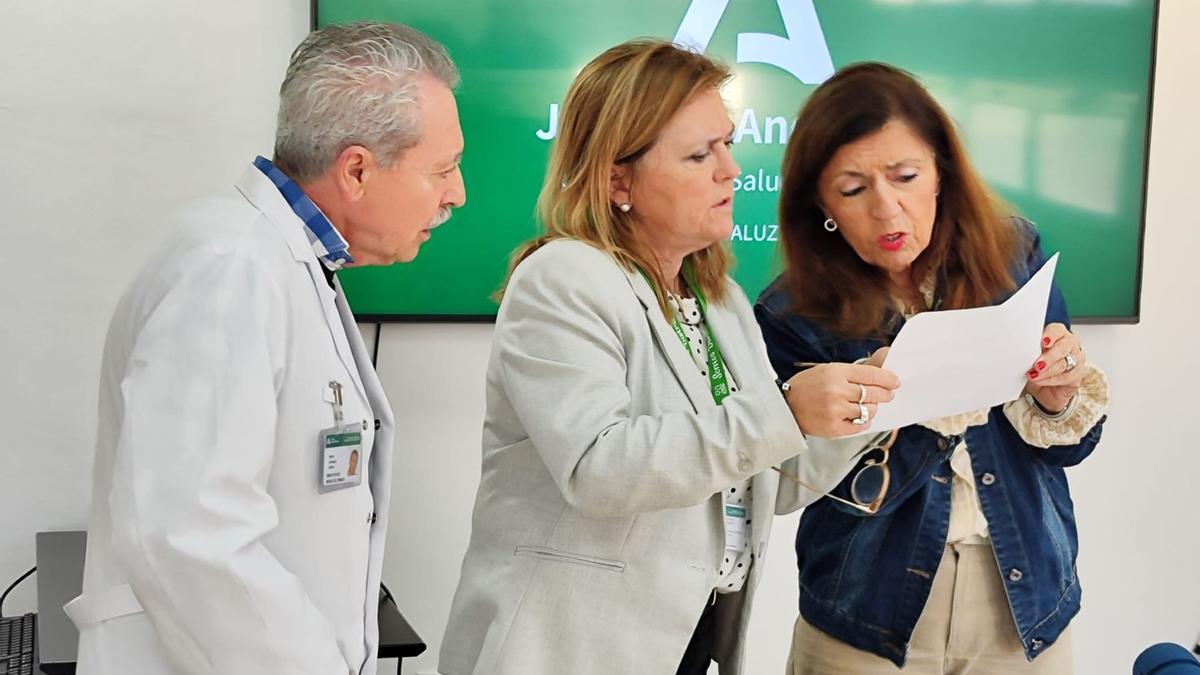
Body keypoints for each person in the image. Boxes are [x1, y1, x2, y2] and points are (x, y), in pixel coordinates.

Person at [439, 41, 899, 675]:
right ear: (616, 178)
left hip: (687, 640)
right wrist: (786, 410)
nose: (731, 170)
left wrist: (864, 405)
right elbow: (601, 467)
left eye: (728, 144)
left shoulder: (722, 299)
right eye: (699, 154)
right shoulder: (562, 279)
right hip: (569, 648)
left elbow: (767, 479)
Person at [67, 21, 465, 675]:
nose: (457, 193)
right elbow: (192, 538)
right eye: (443, 169)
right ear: (357, 170)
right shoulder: (231, 269)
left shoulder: (280, 263)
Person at [755, 62, 1110, 674]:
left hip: (1023, 596)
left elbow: (1070, 446)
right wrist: (870, 401)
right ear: (821, 203)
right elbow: (786, 480)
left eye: (906, 176)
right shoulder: (791, 310)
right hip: (866, 603)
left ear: (941, 171)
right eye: (853, 188)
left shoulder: (1013, 253)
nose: (888, 210)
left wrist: (1060, 393)